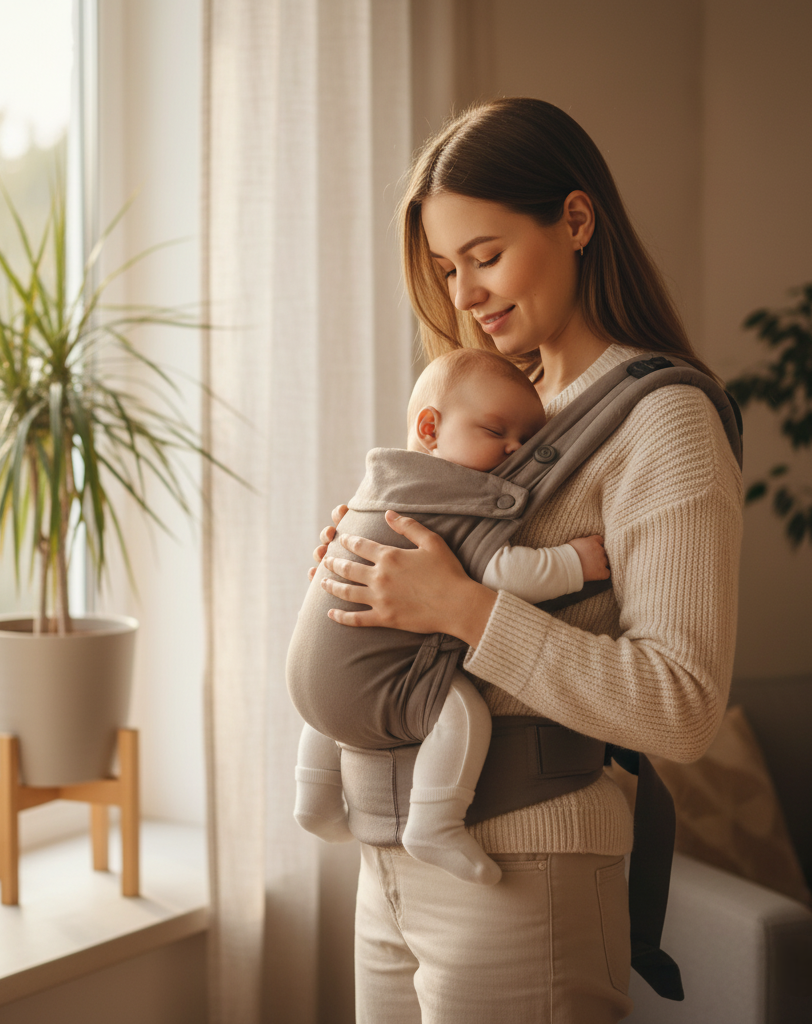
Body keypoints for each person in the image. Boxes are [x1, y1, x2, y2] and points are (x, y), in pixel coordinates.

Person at [310, 98, 742, 1023]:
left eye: (485, 256)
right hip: (390, 859)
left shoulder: (665, 422)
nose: (462, 296)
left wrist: (462, 608)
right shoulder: (497, 406)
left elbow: (683, 707)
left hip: (526, 869)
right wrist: (367, 561)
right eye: (444, 268)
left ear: (576, 221)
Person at [289, 347, 610, 887]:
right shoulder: (452, 496)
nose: (513, 451)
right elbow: (500, 570)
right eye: (495, 431)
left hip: (309, 683)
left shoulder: (384, 483)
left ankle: (315, 797)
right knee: (461, 713)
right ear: (430, 428)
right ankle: (435, 823)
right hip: (376, 689)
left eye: (525, 442)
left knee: (331, 697)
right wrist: (572, 564)